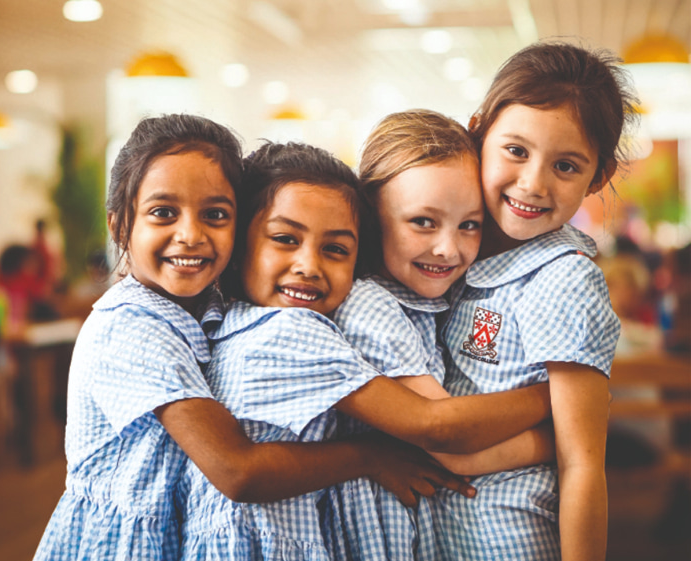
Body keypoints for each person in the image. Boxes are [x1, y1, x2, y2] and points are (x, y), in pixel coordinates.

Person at [32, 114, 465, 561]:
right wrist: (370, 456)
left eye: (215, 215)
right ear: (121, 225)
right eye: (163, 213)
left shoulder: (210, 310)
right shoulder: (129, 327)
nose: (191, 235)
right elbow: (236, 470)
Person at [180, 140, 553, 560]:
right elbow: (436, 427)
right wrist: (559, 399)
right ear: (238, 246)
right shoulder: (287, 330)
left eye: (336, 249)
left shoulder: (246, 323)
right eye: (285, 238)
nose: (308, 265)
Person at [329, 109, 558, 560]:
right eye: (423, 222)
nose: (448, 248)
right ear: (372, 219)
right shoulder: (369, 305)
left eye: (468, 225)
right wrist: (565, 417)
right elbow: (450, 444)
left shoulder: (440, 300)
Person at [439, 41, 637, 561]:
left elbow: (582, 465)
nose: (532, 183)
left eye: (566, 166)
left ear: (599, 176)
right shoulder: (451, 254)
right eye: (516, 150)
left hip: (511, 540)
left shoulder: (562, 279)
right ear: (478, 129)